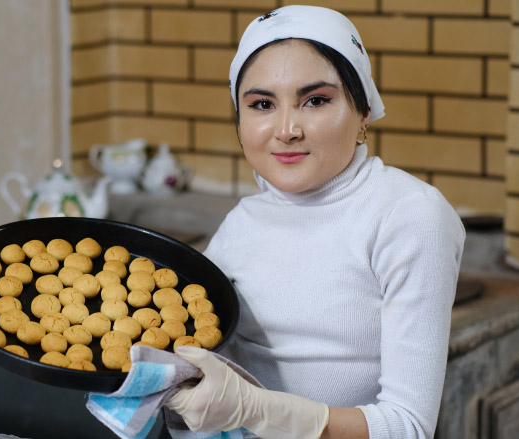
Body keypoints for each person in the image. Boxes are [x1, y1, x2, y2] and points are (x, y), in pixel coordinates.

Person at [164, 5, 465, 439]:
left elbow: (408, 426)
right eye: (262, 104)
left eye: (316, 100)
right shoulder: (241, 223)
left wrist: (258, 410)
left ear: (362, 113)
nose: (286, 129)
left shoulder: (408, 214)